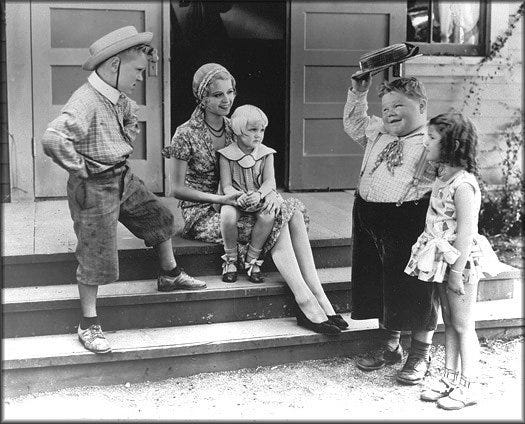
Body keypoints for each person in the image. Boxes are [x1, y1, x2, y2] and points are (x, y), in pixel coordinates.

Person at [41, 26, 206, 354]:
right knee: (96, 253)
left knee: (159, 216)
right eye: (138, 71)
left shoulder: (116, 95)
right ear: (115, 65)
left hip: (123, 178)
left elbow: (131, 116)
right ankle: (88, 323)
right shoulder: (85, 100)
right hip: (94, 187)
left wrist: (124, 139)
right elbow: (53, 138)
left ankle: (170, 275)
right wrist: (80, 167)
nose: (141, 78)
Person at [162, 62, 348, 334]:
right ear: (202, 98)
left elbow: (260, 168)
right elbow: (175, 189)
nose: (227, 100)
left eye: (230, 92)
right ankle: (305, 300)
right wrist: (223, 199)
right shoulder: (186, 133)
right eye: (217, 95)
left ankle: (319, 294)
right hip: (203, 210)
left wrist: (268, 194)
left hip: (241, 202)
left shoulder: (237, 126)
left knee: (291, 211)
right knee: (278, 222)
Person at [404, 110, 511, 410]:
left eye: (431, 138)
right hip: (442, 260)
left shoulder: (463, 184)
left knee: (464, 325)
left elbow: (466, 232)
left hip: (459, 263)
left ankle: (470, 384)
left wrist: (455, 272)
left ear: (451, 144)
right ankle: (450, 378)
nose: (425, 142)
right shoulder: (442, 176)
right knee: (449, 322)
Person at [343, 73, 439, 384]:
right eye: (385, 108)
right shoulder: (378, 132)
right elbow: (354, 123)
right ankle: (390, 343)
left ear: (421, 106)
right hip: (369, 217)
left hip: (410, 219)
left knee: (416, 286)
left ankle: (420, 352)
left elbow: (451, 181)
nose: (390, 113)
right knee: (380, 282)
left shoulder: (432, 140)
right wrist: (358, 92)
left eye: (399, 106)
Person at [218, 104, 276, 284]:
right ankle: (231, 260)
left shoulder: (266, 154)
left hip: (257, 197)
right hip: (236, 199)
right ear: (238, 130)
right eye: (253, 130)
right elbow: (226, 185)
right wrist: (238, 196)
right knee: (227, 216)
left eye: (262, 130)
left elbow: (270, 181)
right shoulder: (226, 155)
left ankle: (252, 259)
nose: (258, 135)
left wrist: (260, 194)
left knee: (268, 215)